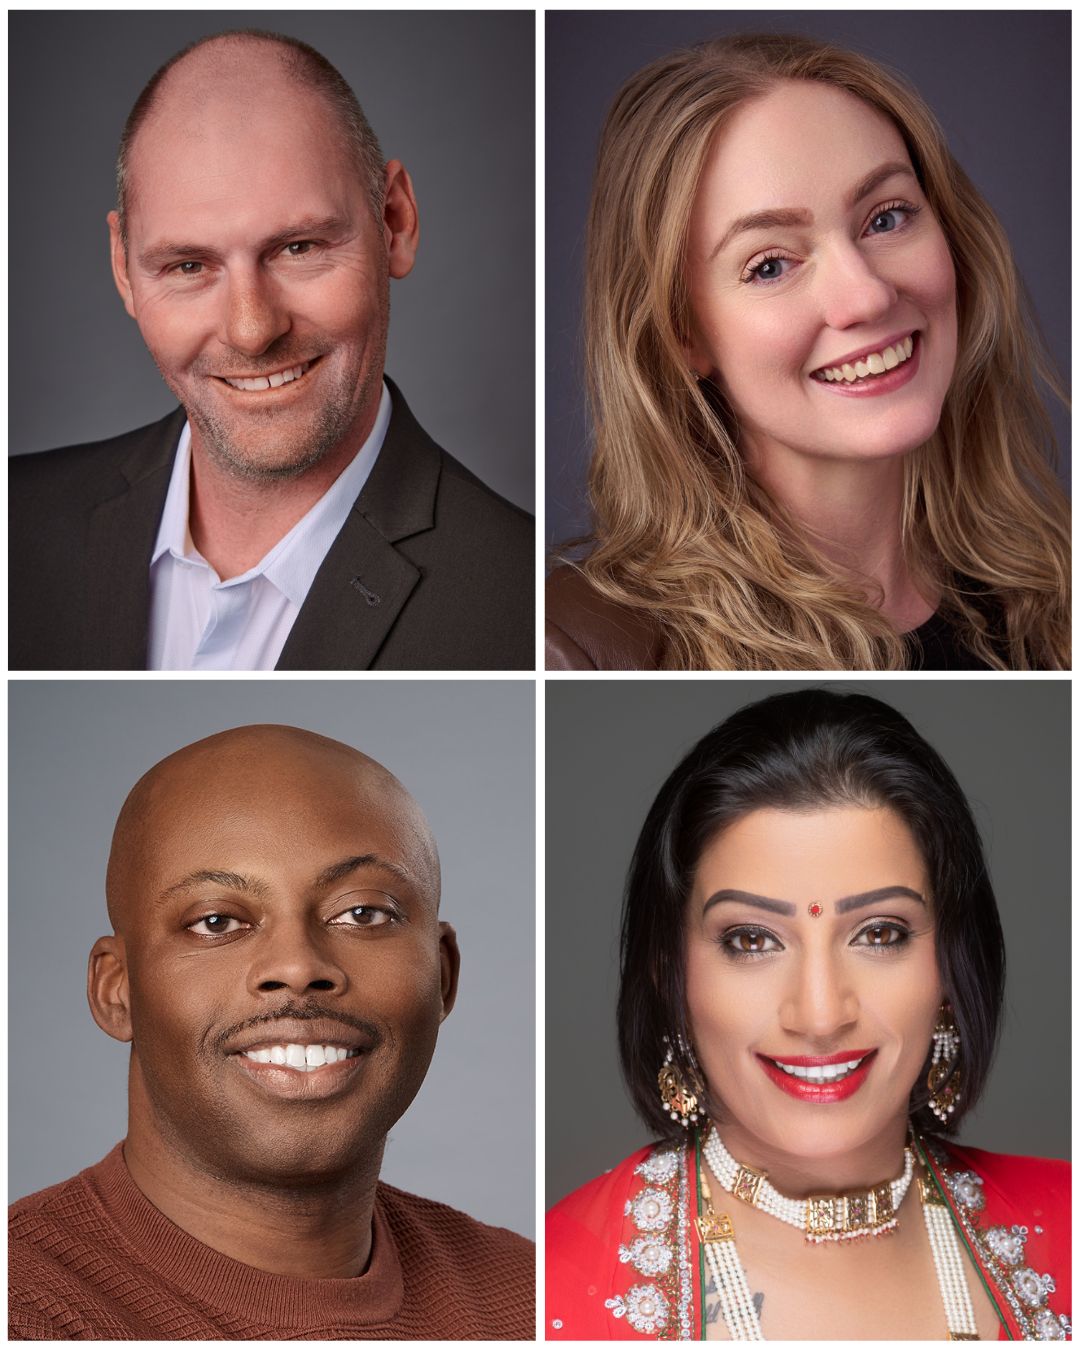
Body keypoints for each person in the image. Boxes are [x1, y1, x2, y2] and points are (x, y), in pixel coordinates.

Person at [547, 690, 1070, 1339]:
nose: (820, 1014)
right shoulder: (551, 1294)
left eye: (879, 934)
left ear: (951, 966)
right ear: (670, 975)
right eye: (751, 940)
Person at [10, 29, 532, 671]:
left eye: (299, 248)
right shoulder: (17, 525)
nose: (252, 329)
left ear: (394, 222)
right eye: (187, 265)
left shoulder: (528, 610)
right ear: (123, 270)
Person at [545, 33, 1069, 671]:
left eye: (887, 218)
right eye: (770, 266)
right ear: (681, 333)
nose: (867, 297)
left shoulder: (1057, 584)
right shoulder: (580, 649)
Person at [9, 725, 534, 1339]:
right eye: (215, 921)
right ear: (116, 989)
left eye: (363, 913)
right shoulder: (27, 1310)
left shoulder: (528, 1292)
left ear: (442, 974)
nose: (298, 966)